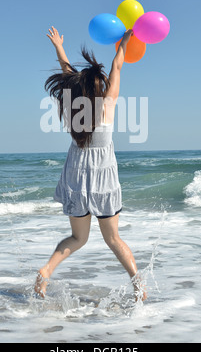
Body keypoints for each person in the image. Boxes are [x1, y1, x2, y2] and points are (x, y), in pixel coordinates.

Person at [35, 26, 146, 301]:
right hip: (102, 180)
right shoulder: (108, 105)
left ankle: (46, 271)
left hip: (76, 175)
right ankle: (138, 287)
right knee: (113, 240)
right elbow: (117, 65)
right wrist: (124, 43)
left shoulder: (74, 108)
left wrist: (59, 46)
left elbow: (67, 74)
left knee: (78, 239)